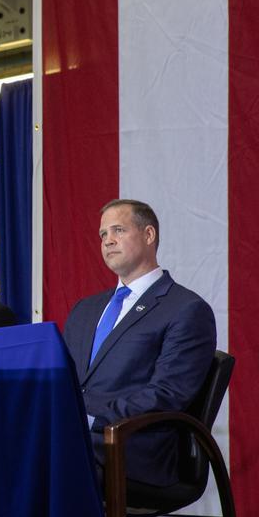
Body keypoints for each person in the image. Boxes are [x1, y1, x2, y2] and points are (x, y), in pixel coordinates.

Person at [63, 200, 215, 488]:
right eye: (103, 234)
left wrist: (92, 420)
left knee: (45, 454)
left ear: (148, 235)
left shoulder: (185, 309)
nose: (108, 240)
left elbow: (167, 394)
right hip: (77, 436)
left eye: (118, 230)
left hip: (133, 445)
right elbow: (64, 379)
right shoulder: (84, 310)